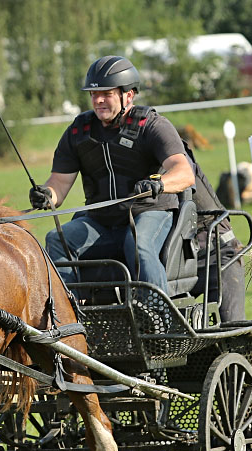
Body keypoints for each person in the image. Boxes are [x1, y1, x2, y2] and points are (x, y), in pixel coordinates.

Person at [30, 55, 195, 295]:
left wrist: (158, 184)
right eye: (94, 94)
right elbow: (59, 183)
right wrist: (47, 195)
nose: (98, 100)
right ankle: (72, 317)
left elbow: (184, 172)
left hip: (149, 212)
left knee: (139, 245)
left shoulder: (152, 125)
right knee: (57, 239)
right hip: (102, 222)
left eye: (106, 94)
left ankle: (159, 316)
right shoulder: (78, 132)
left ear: (128, 95)